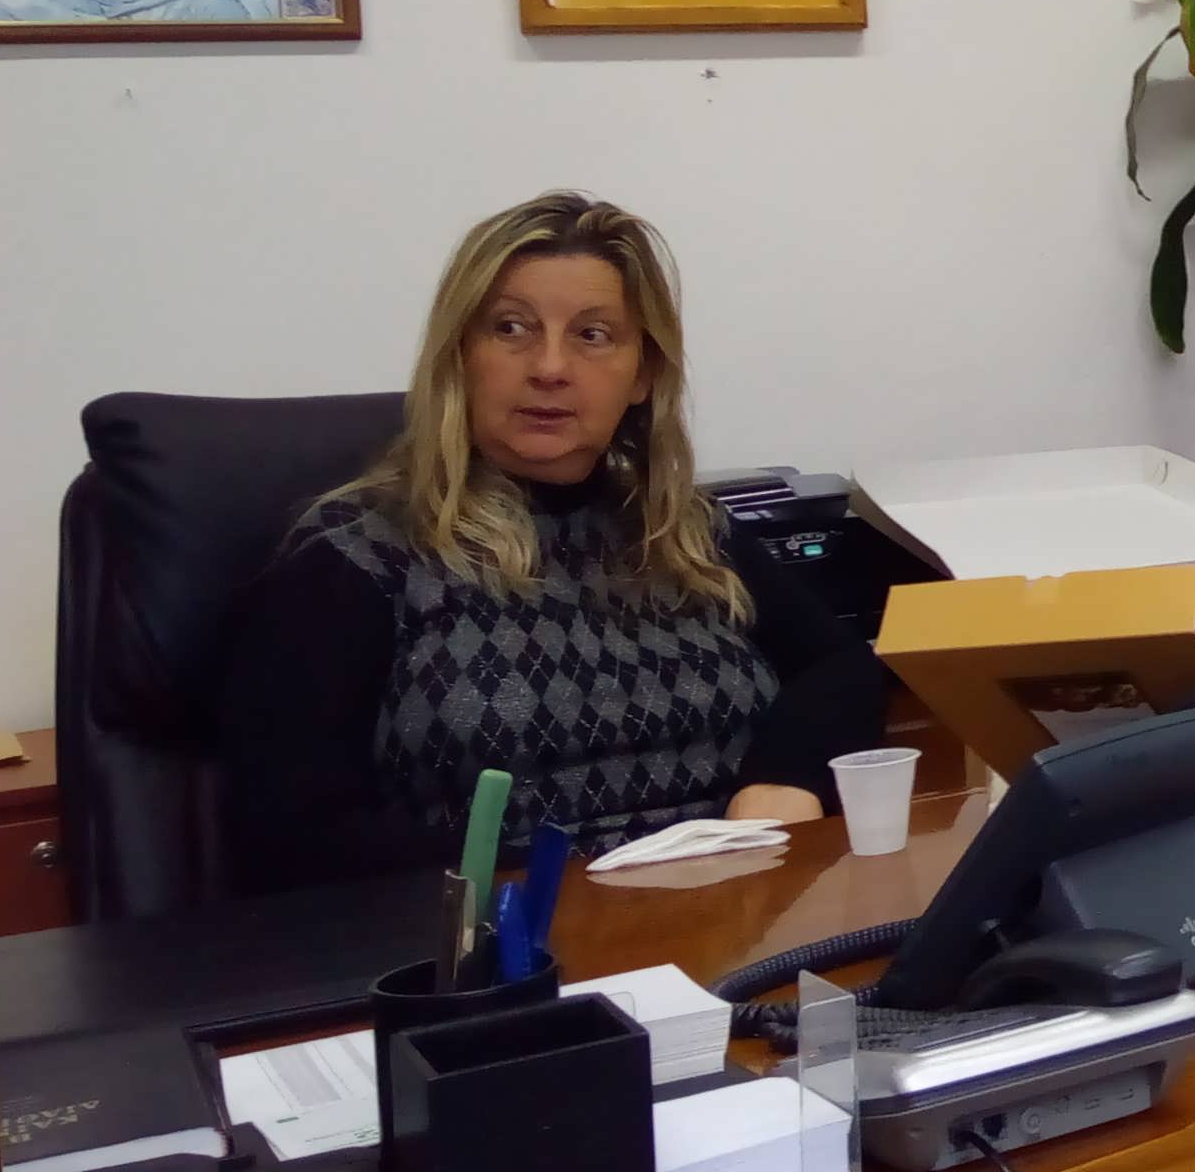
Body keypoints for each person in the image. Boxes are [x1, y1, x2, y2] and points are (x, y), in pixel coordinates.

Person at [216, 191, 884, 893]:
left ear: (643, 373)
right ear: (460, 355)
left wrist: (785, 782)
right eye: (511, 328)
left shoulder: (685, 531)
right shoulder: (356, 556)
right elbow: (289, 832)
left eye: (593, 335)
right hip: (508, 931)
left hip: (738, 909)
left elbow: (840, 666)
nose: (550, 367)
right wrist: (560, 883)